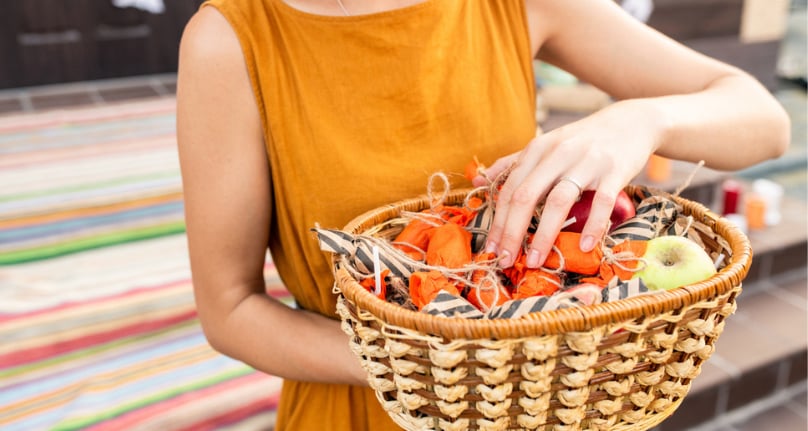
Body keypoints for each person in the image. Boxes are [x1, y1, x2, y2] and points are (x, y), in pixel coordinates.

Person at [175, 0, 790, 429]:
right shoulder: (231, 39)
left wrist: (639, 119)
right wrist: (432, 368)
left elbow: (764, 122)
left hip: (532, 405)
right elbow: (229, 309)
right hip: (365, 403)